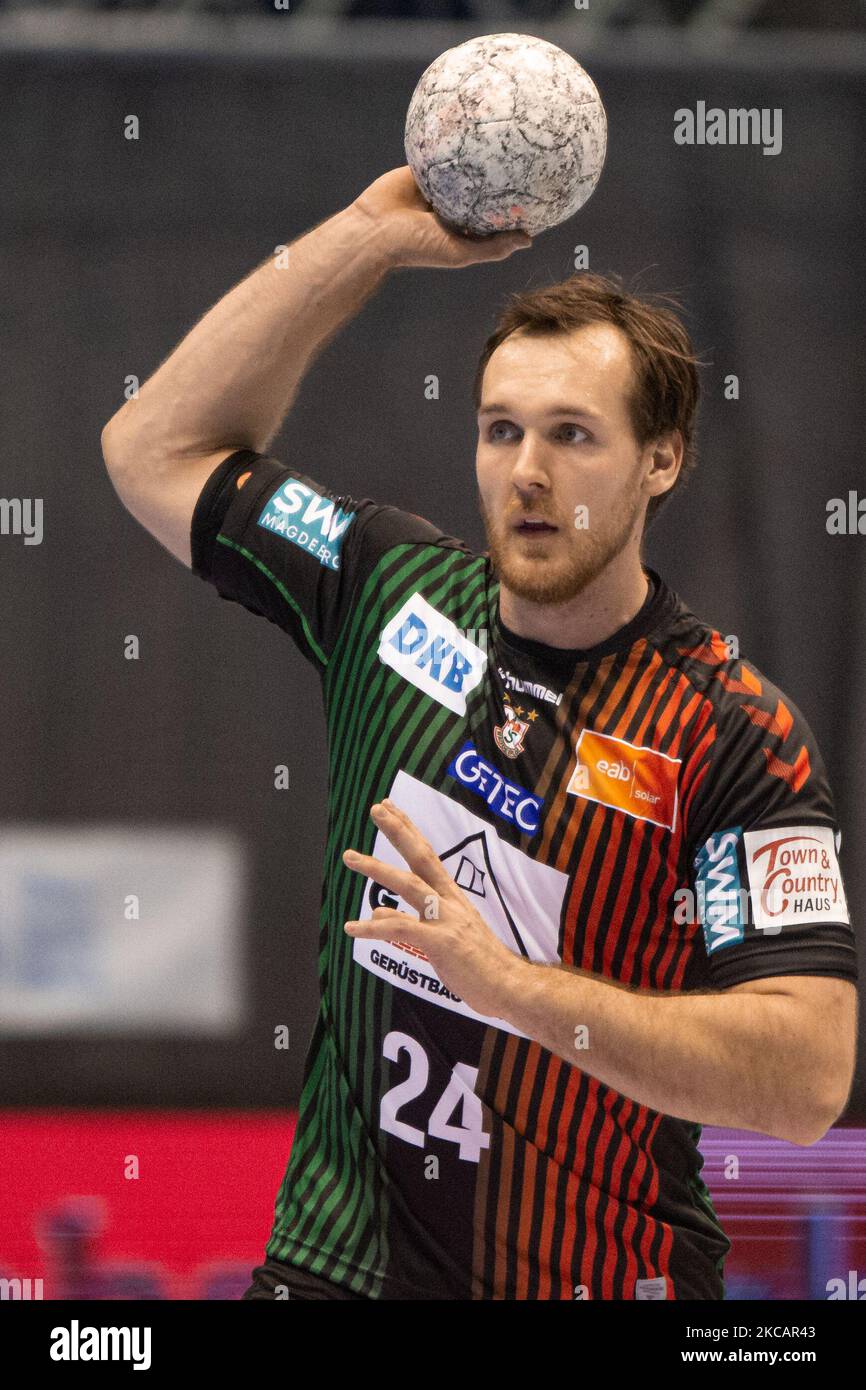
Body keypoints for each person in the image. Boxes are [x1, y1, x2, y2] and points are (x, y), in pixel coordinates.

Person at [101, 167, 858, 1300]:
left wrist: (515, 992)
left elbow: (803, 1076)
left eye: (572, 435)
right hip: (334, 1271)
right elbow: (150, 449)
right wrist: (361, 239)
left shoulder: (728, 731)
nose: (527, 475)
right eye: (500, 430)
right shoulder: (386, 589)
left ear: (662, 459)